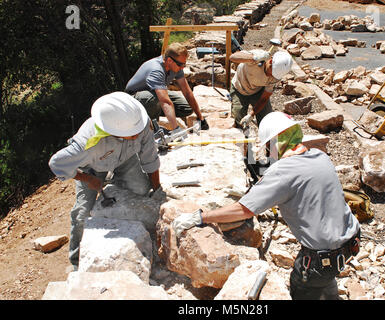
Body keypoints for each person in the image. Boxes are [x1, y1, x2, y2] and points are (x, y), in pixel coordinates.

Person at [172, 112, 361, 300]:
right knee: (324, 277)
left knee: (302, 282)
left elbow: (243, 210)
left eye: (268, 148)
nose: (268, 154)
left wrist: (201, 217)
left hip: (321, 258)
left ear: (275, 143)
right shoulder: (319, 156)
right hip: (351, 241)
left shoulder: (282, 172)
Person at [48, 92, 162, 270]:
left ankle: (114, 188)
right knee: (82, 214)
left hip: (126, 159)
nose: (138, 134)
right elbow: (57, 164)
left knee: (140, 189)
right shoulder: (87, 143)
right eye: (132, 134)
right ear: (114, 131)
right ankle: (77, 260)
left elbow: (150, 158)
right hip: (91, 168)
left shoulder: (139, 122)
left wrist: (157, 189)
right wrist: (86, 179)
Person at [125, 42, 209, 133]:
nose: (182, 68)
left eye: (184, 64)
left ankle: (155, 112)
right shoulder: (156, 70)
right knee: (155, 99)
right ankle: (152, 129)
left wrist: (201, 118)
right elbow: (165, 102)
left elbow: (187, 92)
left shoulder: (176, 67)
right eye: (181, 65)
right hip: (133, 101)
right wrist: (176, 130)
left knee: (187, 107)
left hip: (153, 96)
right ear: (169, 60)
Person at [229, 49, 293, 130]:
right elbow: (232, 57)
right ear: (270, 62)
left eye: (274, 75)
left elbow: (264, 98)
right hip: (239, 89)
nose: (271, 76)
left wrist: (251, 115)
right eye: (271, 73)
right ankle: (242, 139)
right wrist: (253, 57)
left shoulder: (276, 77)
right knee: (239, 120)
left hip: (257, 91)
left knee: (267, 121)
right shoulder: (258, 57)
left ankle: (266, 140)